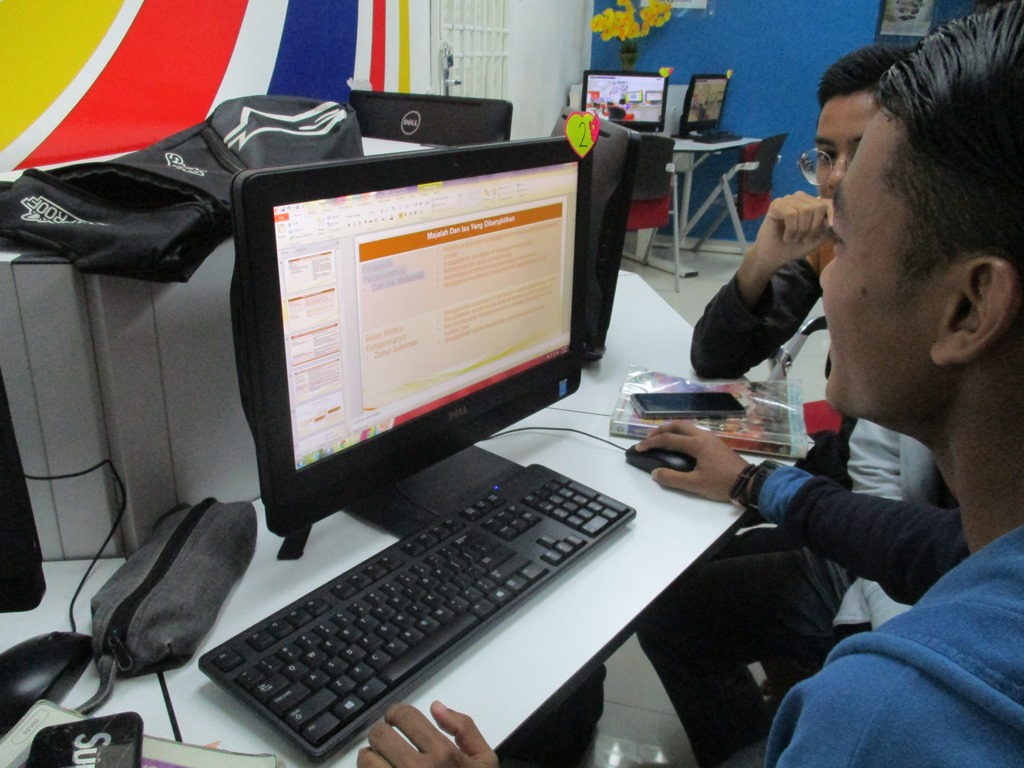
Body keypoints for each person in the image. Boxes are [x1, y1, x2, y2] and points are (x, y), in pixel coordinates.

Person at [355, 4, 1024, 765]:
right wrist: (755, 482)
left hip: (863, 637)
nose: (829, 278)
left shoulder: (888, 717)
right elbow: (941, 545)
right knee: (677, 607)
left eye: (851, 240)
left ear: (970, 308)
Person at [688, 43, 906, 381]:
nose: (836, 177)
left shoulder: (946, 268)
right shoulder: (828, 243)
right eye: (827, 155)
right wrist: (761, 261)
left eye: (863, 153)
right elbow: (713, 359)